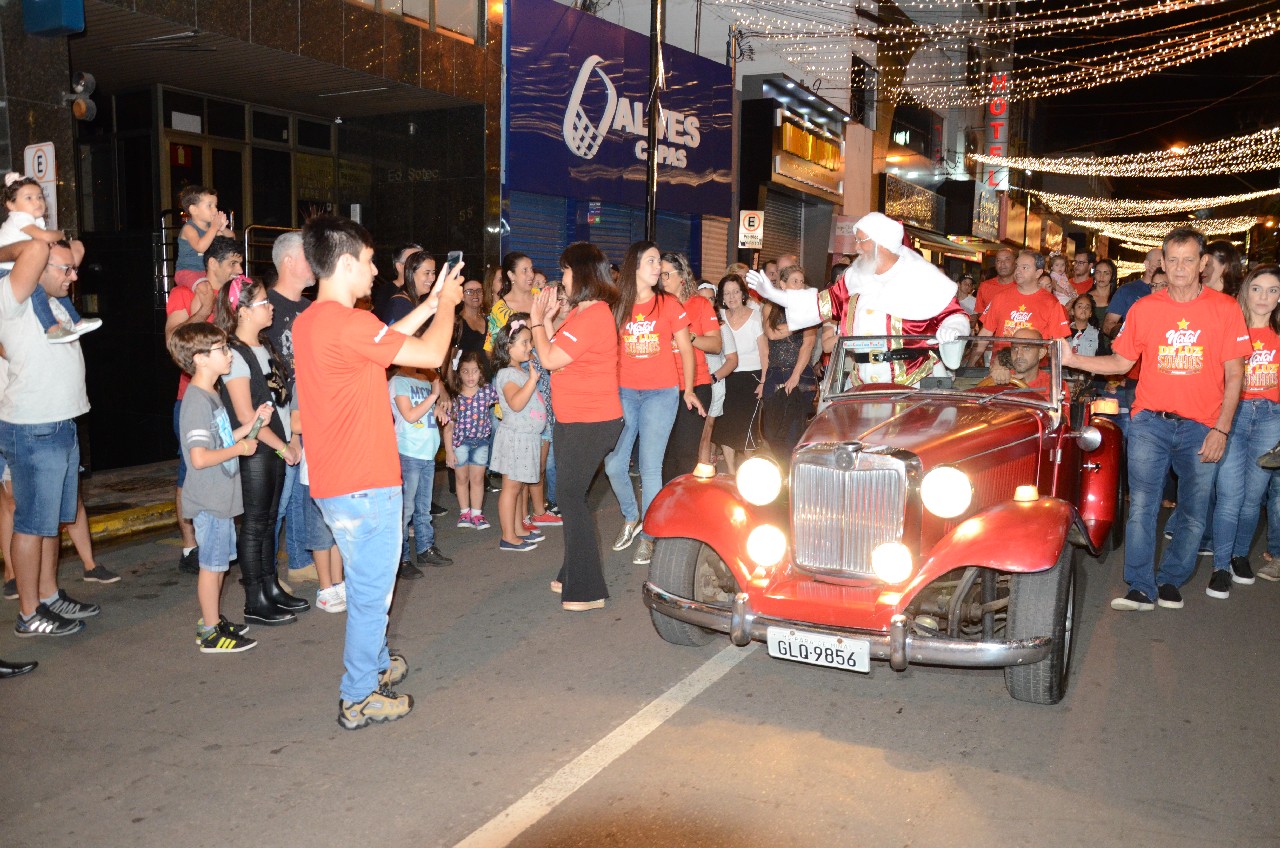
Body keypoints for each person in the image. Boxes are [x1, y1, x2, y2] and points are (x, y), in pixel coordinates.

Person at [292, 214, 463, 730]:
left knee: (368, 584)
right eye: (368, 262)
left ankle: (376, 662)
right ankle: (359, 694)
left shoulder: (311, 321)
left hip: (334, 482)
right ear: (345, 263)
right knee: (372, 593)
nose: (375, 274)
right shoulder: (352, 324)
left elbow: (380, 342)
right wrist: (449, 310)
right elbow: (431, 354)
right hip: (366, 481)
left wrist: (431, 305)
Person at [1062, 226, 1251, 613]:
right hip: (1151, 422)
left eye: (1188, 260)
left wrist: (1222, 430)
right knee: (1144, 505)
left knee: (1194, 512)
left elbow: (1236, 376)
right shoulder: (1146, 309)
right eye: (1173, 260)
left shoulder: (1225, 309)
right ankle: (1141, 586)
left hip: (1202, 426)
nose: (1180, 268)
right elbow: (1120, 362)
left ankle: (1170, 578)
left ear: (1202, 264)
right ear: (1162, 263)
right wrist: (1071, 358)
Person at [0, 240, 101, 638]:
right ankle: (29, 613)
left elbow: (71, 248)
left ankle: (48, 594)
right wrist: (35, 243)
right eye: (64, 269)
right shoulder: (15, 297)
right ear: (37, 268)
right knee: (31, 523)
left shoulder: (53, 300)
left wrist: (58, 255)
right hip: (34, 427)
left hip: (62, 423)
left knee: (50, 524)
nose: (73, 274)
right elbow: (33, 251)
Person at [751, 212, 970, 387]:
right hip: (861, 383)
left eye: (860, 241)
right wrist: (775, 295)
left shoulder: (921, 277)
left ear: (880, 243)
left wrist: (953, 328)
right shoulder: (854, 278)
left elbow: (954, 315)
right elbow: (821, 305)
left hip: (913, 383)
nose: (855, 247)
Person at [529, 243, 622, 612]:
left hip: (592, 420)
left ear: (581, 273)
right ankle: (572, 572)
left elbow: (549, 358)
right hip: (572, 419)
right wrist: (549, 319)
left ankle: (588, 591)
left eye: (566, 270)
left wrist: (536, 318)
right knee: (572, 497)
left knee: (569, 497)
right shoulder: (582, 313)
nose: (562, 277)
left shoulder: (595, 314)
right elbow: (559, 349)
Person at [214, 275, 309, 625]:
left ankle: (270, 587)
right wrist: (283, 445)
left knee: (269, 522)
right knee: (255, 524)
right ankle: (254, 599)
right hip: (256, 449)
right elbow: (244, 414)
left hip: (278, 444)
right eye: (264, 303)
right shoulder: (235, 354)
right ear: (241, 312)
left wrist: (293, 440)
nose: (271, 308)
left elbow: (281, 402)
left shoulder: (265, 346)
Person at [167, 322, 265, 653]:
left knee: (219, 563)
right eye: (221, 350)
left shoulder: (212, 394)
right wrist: (239, 449)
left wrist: (251, 427)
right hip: (209, 499)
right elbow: (199, 457)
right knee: (211, 567)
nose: (228, 355)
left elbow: (221, 439)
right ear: (200, 358)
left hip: (220, 498)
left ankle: (213, 619)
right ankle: (210, 631)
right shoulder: (196, 401)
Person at [605, 241, 700, 567]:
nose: (657, 267)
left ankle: (651, 535)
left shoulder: (669, 304)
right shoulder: (617, 305)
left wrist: (687, 389)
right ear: (634, 267)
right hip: (625, 393)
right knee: (614, 464)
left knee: (649, 466)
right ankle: (632, 517)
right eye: (651, 261)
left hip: (661, 393)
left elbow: (686, 349)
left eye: (658, 261)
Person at [165, 236, 243, 574]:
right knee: (190, 472)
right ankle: (190, 546)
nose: (239, 270)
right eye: (233, 264)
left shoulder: (232, 298)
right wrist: (201, 307)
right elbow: (172, 342)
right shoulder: (184, 293)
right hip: (192, 398)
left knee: (224, 468)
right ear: (212, 264)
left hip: (225, 397)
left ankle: (218, 538)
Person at [1206, 265, 1280, 599]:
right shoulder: (1227, 327)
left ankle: (1239, 556)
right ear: (1245, 291)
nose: (1264, 297)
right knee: (1230, 493)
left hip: (1271, 417)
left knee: (1254, 498)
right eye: (1258, 289)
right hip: (1231, 417)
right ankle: (1220, 565)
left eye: (1273, 290)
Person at [265, 232, 314, 584]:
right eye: (307, 255)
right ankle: (266, 575)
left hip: (310, 412)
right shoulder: (265, 307)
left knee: (302, 492)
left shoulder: (311, 309)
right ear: (287, 261)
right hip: (278, 418)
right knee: (277, 500)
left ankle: (298, 561)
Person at [0, 175, 98, 343]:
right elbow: (45, 237)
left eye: (40, 197)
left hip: (21, 266)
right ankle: (52, 328)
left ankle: (76, 321)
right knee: (36, 288)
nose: (37, 202)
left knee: (57, 282)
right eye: (28, 198)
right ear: (11, 205)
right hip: (5, 270)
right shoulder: (20, 217)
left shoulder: (36, 219)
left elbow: (54, 244)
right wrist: (60, 234)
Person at [489, 316, 548, 552]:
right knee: (511, 487)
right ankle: (508, 536)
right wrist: (533, 381)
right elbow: (515, 403)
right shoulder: (507, 374)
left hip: (526, 437)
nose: (530, 347)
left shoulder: (519, 372)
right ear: (508, 347)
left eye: (530, 342)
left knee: (517, 485)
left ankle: (518, 529)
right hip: (516, 437)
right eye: (524, 342)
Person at [390, 361, 451, 577]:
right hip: (409, 453)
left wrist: (437, 409)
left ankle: (425, 548)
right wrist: (434, 396)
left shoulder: (422, 380)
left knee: (423, 507)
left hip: (427, 453)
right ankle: (401, 559)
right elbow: (409, 414)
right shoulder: (398, 382)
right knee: (405, 510)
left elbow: (425, 408)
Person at [660, 252, 717, 485]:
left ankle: (683, 507)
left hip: (696, 386)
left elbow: (715, 345)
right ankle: (663, 509)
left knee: (685, 453)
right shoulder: (656, 306)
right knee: (664, 455)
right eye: (659, 274)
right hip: (663, 388)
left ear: (681, 276)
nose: (661, 279)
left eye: (666, 274)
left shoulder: (700, 304)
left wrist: (689, 337)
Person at [966, 250, 1070, 366]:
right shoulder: (1000, 298)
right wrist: (969, 366)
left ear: (1038, 273)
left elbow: (1057, 345)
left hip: (1034, 372)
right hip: (1000, 369)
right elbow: (985, 334)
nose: (1018, 271)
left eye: (1024, 267)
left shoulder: (1051, 303)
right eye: (1017, 266)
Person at [760, 265, 818, 469]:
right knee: (772, 431)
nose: (800, 285)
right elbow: (772, 333)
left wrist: (795, 376)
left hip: (801, 376)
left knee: (794, 431)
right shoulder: (770, 307)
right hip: (775, 373)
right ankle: (781, 474)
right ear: (782, 284)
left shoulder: (810, 308)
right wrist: (801, 322)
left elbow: (808, 344)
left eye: (802, 282)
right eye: (795, 281)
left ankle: (792, 477)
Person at [714, 274, 766, 473]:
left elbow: (764, 352)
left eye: (735, 291)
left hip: (751, 377)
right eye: (727, 293)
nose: (732, 296)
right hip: (726, 377)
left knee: (747, 427)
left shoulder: (755, 317)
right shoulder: (719, 317)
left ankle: (749, 471)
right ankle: (731, 471)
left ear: (743, 294)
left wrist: (763, 381)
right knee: (726, 426)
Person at [445, 351, 497, 528]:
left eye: (474, 371)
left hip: (481, 442)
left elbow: (504, 400)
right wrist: (449, 452)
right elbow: (449, 426)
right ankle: (464, 513)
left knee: (477, 479)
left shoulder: (488, 391)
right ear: (459, 373)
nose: (470, 376)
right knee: (461, 479)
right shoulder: (454, 397)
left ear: (481, 372)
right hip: (460, 444)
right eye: (465, 371)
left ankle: (477, 514)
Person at [173, 185, 233, 291]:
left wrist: (222, 229)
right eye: (209, 206)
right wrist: (214, 228)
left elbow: (232, 237)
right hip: (188, 271)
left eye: (215, 205)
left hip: (207, 272)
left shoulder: (211, 227)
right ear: (194, 210)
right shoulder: (189, 229)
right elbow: (200, 247)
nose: (215, 210)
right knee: (205, 290)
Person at [487, 251, 538, 348]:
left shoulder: (541, 296)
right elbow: (491, 348)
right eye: (525, 270)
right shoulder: (500, 309)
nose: (531, 275)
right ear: (511, 275)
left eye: (531, 269)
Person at [984, 328, 1055, 396]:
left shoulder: (1054, 386)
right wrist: (992, 382)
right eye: (1015, 348)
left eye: (1026, 348)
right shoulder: (998, 380)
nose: (1018, 355)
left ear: (1041, 353)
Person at [381, 251, 437, 325]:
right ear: (411, 274)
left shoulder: (416, 300)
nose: (432, 278)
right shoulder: (401, 304)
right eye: (427, 273)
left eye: (433, 273)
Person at [371, 242, 422, 320]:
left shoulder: (424, 292)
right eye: (415, 262)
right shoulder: (386, 293)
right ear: (399, 266)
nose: (421, 266)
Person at [974, 247, 1016, 316]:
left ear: (1015, 263)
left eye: (1007, 260)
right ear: (995, 265)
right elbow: (980, 313)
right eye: (998, 260)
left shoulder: (1023, 286)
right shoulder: (985, 286)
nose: (1002, 264)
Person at [454, 278, 490, 355]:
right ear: (462, 296)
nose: (475, 294)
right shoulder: (456, 323)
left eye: (479, 291)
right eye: (470, 291)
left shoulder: (489, 320)